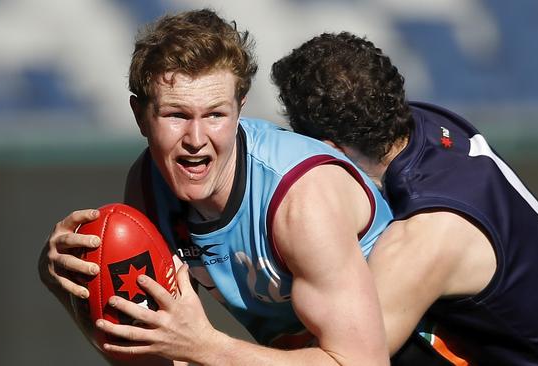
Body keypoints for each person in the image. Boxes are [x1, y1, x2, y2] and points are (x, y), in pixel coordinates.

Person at [38, 10, 398, 366]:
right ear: (140, 116)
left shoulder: (300, 197)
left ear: (240, 109)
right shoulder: (149, 186)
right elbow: (159, 357)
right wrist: (68, 291)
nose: (196, 139)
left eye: (215, 115)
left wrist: (208, 347)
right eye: (176, 115)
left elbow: (361, 362)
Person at [271, 31, 538, 365]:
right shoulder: (426, 121)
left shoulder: (424, 238)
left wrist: (217, 346)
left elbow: (348, 359)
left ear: (329, 148)